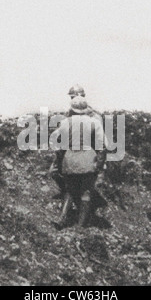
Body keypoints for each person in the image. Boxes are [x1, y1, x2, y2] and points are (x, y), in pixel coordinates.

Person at [51, 96, 107, 229]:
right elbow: (102, 146)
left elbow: (58, 145)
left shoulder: (64, 123)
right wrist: (99, 165)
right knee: (86, 192)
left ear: (72, 109)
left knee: (69, 190)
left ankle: (62, 219)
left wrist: (60, 162)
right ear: (86, 109)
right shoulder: (95, 122)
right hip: (88, 159)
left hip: (70, 159)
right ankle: (81, 226)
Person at [50, 85, 103, 199]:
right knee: (54, 172)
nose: (72, 99)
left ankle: (75, 195)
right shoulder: (69, 113)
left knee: (87, 184)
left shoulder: (94, 116)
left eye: (73, 97)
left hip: (88, 152)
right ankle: (70, 192)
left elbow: (99, 140)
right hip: (71, 150)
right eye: (71, 97)